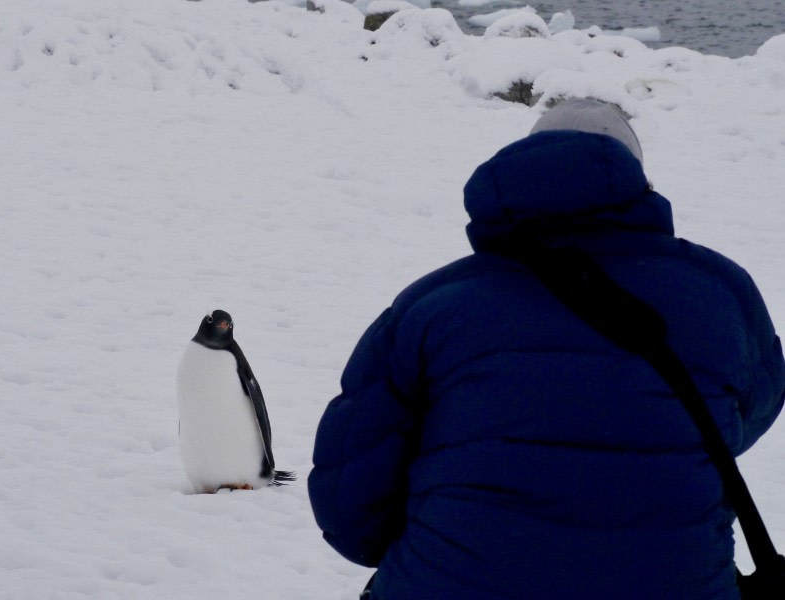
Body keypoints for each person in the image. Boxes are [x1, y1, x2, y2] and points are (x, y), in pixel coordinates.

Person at [308, 98, 785, 599]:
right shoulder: (720, 292)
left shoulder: (432, 308)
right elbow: (748, 413)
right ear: (636, 181)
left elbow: (350, 502)